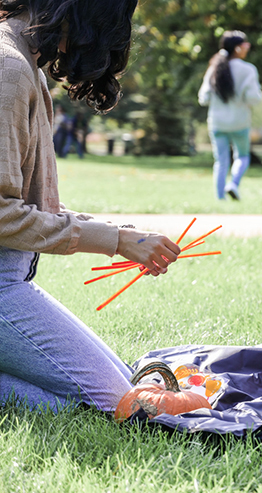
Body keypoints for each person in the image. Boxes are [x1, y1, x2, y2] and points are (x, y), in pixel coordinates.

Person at [0, 0, 181, 413]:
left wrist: (122, 234)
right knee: (128, 407)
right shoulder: (8, 68)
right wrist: (114, 240)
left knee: (129, 383)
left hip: (11, 282)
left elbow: (28, 204)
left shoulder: (21, 61)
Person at [198, 30, 262, 200]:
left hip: (218, 122)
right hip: (240, 122)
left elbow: (203, 97)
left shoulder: (214, 67)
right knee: (242, 156)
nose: (248, 46)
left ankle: (220, 198)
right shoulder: (248, 70)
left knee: (221, 161)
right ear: (237, 48)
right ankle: (233, 184)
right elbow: (253, 98)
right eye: (245, 44)